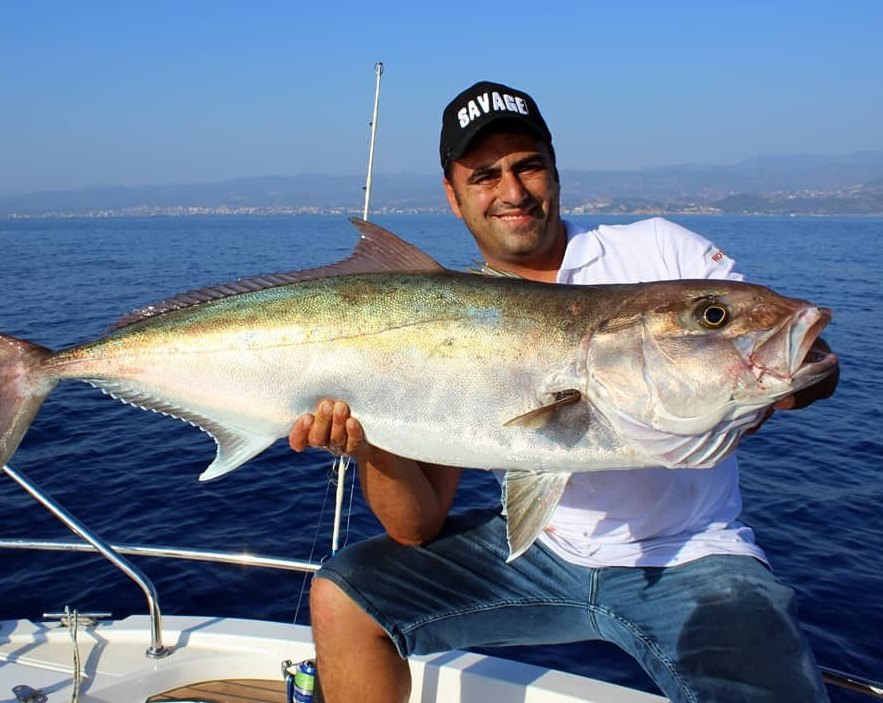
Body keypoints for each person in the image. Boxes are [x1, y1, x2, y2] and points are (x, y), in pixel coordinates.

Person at [288, 81, 838, 703]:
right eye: (485, 175)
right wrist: (371, 440)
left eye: (528, 166)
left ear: (554, 170)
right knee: (343, 597)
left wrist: (765, 390)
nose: (513, 191)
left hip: (695, 557)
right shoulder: (437, 326)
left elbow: (813, 361)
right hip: (536, 552)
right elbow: (416, 528)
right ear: (453, 195)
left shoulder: (657, 250)